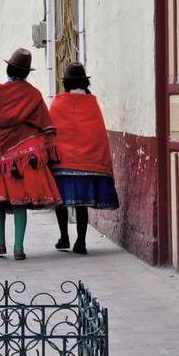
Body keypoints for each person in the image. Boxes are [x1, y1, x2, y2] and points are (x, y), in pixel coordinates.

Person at [0, 50, 62, 261]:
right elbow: (43, 125)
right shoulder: (33, 95)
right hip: (22, 159)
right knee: (19, 201)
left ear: (8, 69)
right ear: (26, 72)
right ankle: (19, 247)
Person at [49, 63, 120, 254]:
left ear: (65, 83)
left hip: (62, 162)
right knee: (81, 204)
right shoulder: (91, 103)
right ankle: (81, 241)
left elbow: (51, 131)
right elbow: (97, 134)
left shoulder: (58, 102)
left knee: (60, 202)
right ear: (84, 82)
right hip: (87, 162)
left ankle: (64, 237)